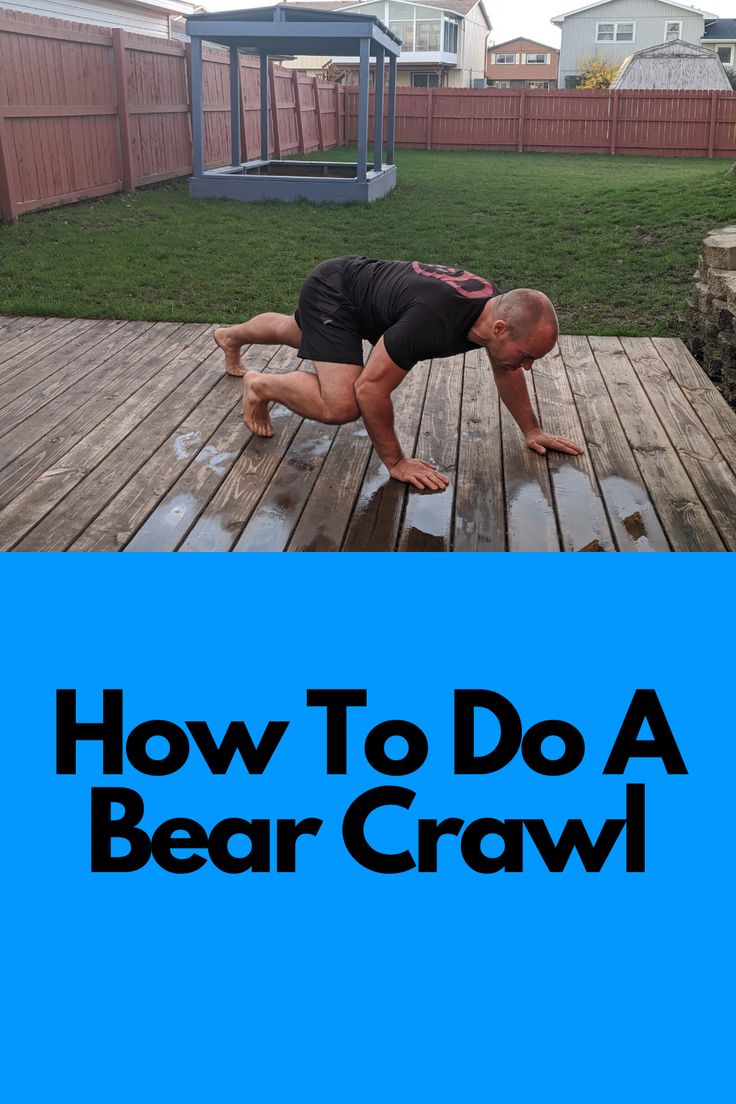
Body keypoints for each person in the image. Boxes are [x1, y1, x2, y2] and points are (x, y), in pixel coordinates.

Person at [214, 256, 583, 491]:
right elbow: (371, 389)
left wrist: (532, 429)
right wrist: (396, 462)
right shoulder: (434, 321)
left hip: (355, 288)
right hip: (335, 291)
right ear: (500, 329)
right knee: (341, 404)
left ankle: (229, 335)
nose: (528, 366)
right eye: (527, 355)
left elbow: (507, 368)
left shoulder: (496, 311)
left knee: (294, 331)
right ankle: (259, 385)